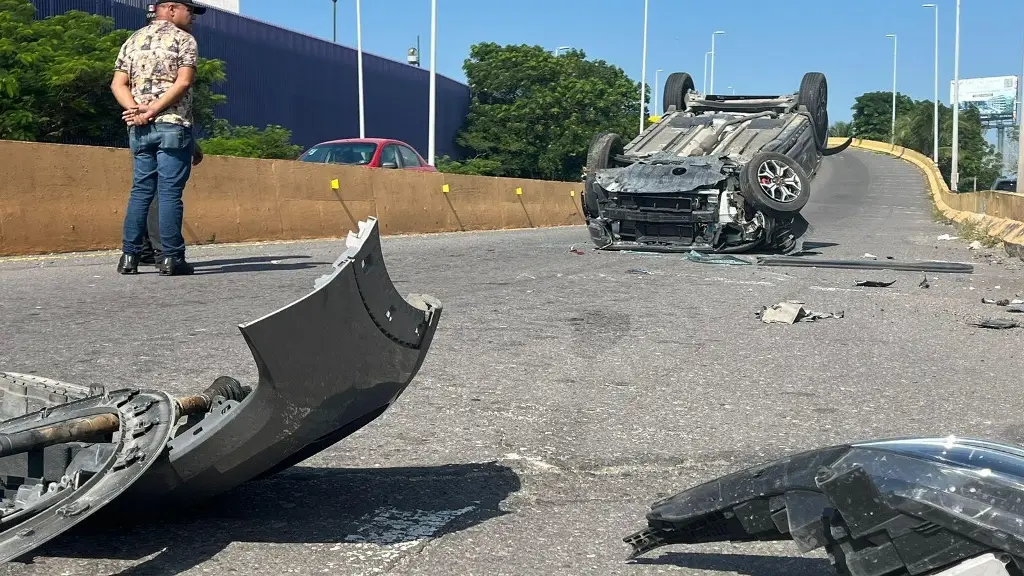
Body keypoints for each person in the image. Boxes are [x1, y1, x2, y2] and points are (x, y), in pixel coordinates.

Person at [110, 0, 207, 276]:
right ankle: (171, 257)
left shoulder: (133, 39)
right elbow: (184, 81)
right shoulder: (184, 40)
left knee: (141, 191)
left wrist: (135, 111)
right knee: (169, 194)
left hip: (139, 129)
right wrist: (153, 109)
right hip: (172, 126)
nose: (193, 18)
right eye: (191, 12)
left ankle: (129, 257)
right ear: (173, 9)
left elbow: (118, 83)